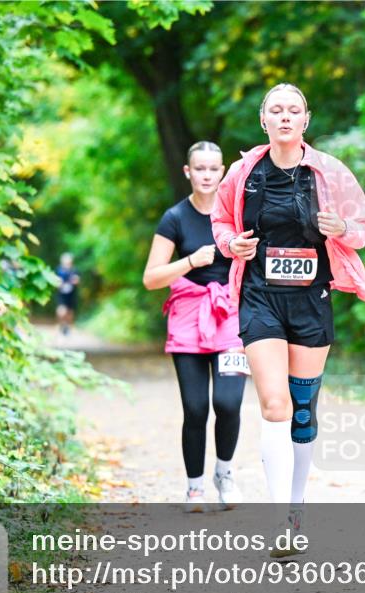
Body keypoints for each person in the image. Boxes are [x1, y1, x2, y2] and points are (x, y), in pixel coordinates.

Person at [211, 83, 365, 550]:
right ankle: (281, 523)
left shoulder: (330, 173)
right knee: (274, 405)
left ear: (306, 120)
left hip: (311, 298)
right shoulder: (244, 171)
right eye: (276, 110)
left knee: (302, 409)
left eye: (294, 110)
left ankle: (296, 509)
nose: (285, 117)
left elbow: (362, 228)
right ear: (264, 120)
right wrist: (231, 245)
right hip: (260, 296)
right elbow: (222, 222)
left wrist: (342, 228)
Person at [143, 141, 246, 510]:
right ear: (188, 172)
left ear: (222, 172)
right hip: (187, 319)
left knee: (229, 403)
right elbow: (151, 278)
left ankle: (225, 473)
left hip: (231, 315)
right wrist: (190, 261)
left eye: (213, 168)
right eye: (199, 168)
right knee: (196, 408)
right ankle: (194, 487)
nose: (206, 175)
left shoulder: (237, 215)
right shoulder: (174, 218)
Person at [55, 252, 79, 336]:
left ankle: (68, 327)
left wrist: (75, 281)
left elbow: (77, 280)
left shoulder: (74, 270)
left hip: (72, 294)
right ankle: (62, 325)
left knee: (70, 311)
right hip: (61, 294)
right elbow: (55, 281)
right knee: (61, 310)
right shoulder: (59, 270)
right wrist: (59, 284)